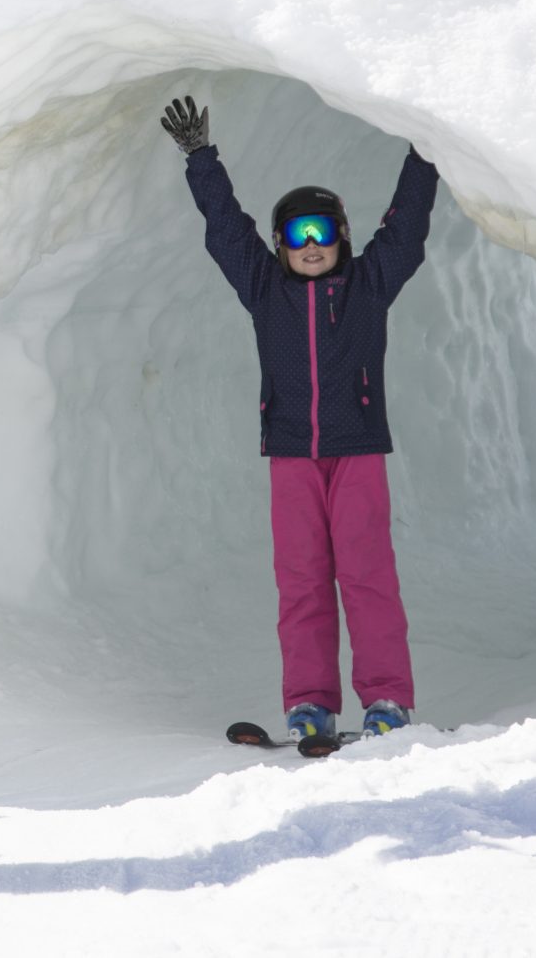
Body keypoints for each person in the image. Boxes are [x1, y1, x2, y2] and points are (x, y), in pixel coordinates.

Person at [159, 94, 438, 748]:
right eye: (295, 235)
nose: (309, 246)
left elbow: (405, 228)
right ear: (281, 247)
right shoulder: (266, 290)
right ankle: (309, 703)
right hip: (291, 453)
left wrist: (427, 149)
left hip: (357, 451)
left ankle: (387, 698)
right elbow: (228, 231)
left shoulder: (369, 287)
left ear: (342, 237)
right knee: (303, 581)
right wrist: (202, 159)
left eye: (322, 232)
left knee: (367, 577)